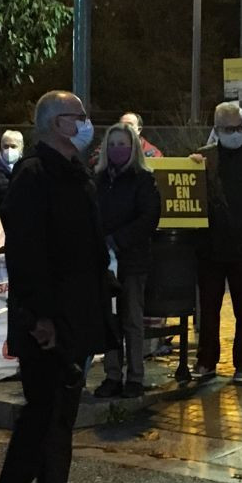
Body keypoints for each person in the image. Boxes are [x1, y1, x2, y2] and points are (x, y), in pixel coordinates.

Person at [0, 91, 109, 483]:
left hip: (76, 316)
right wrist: (38, 316)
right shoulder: (34, 176)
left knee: (62, 412)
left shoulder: (75, 174)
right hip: (46, 321)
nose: (86, 123)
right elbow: (27, 253)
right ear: (58, 123)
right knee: (40, 412)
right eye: (79, 116)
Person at [197, 100, 242, 385]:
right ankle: (206, 360)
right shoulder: (204, 159)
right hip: (211, 248)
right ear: (216, 129)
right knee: (209, 307)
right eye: (229, 128)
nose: (236, 132)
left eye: (239, 127)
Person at [93, 121, 161, 399]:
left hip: (132, 261)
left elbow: (149, 218)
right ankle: (111, 375)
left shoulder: (143, 179)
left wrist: (119, 239)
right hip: (104, 262)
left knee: (132, 320)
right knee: (109, 319)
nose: (117, 149)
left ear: (133, 148)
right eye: (113, 144)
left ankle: (135, 376)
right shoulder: (98, 181)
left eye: (122, 144)